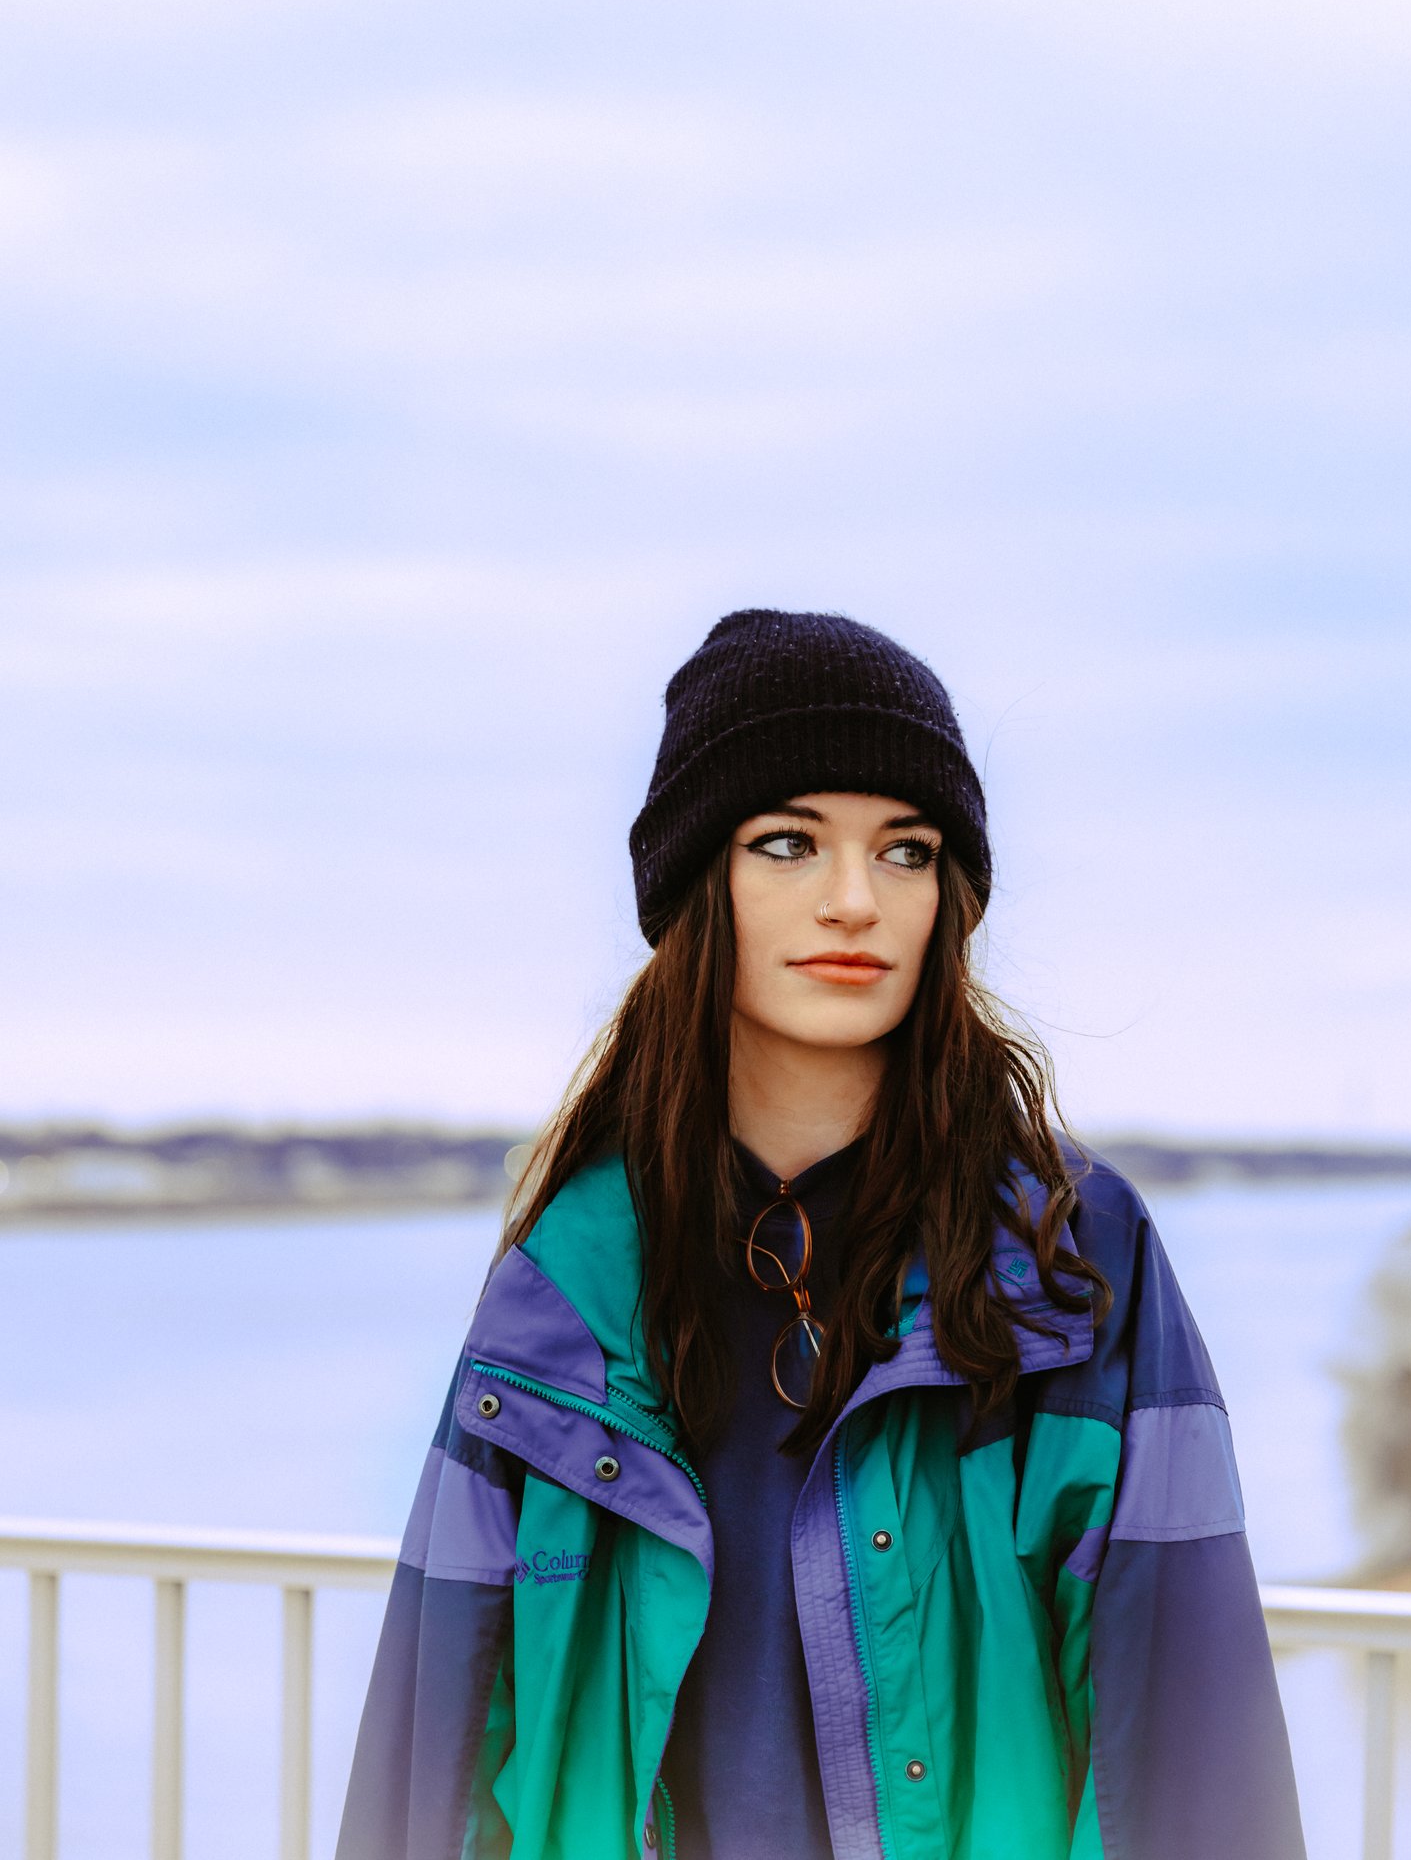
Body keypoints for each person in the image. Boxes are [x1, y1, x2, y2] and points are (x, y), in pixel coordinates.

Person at [336, 608, 1305, 1860]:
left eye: (906, 851)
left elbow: (1192, 1750)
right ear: (699, 884)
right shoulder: (566, 1282)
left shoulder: (1069, 1256)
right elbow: (431, 1762)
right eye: (788, 843)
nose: (856, 900)